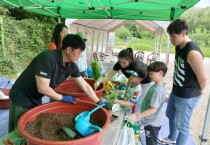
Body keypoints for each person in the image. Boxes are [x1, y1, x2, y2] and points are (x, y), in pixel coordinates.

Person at [9, 34, 109, 132]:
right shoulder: (48, 59)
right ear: (69, 50)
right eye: (78, 53)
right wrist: (63, 98)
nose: (80, 56)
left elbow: (85, 86)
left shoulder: (71, 66)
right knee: (19, 129)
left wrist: (99, 102)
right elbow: (43, 88)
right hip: (22, 96)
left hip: (36, 97)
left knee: (32, 124)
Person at [157, 19, 208, 145]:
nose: (171, 40)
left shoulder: (193, 52)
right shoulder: (179, 46)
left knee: (183, 127)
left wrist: (197, 93)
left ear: (183, 33)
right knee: (169, 114)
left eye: (173, 36)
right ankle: (172, 138)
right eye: (170, 36)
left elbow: (203, 78)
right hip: (176, 91)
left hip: (187, 95)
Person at [127, 61, 168, 145]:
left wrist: (137, 116)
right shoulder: (157, 85)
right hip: (151, 120)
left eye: (151, 73)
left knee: (151, 142)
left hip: (152, 123)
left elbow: (153, 109)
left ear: (160, 73)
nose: (149, 76)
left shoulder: (157, 90)